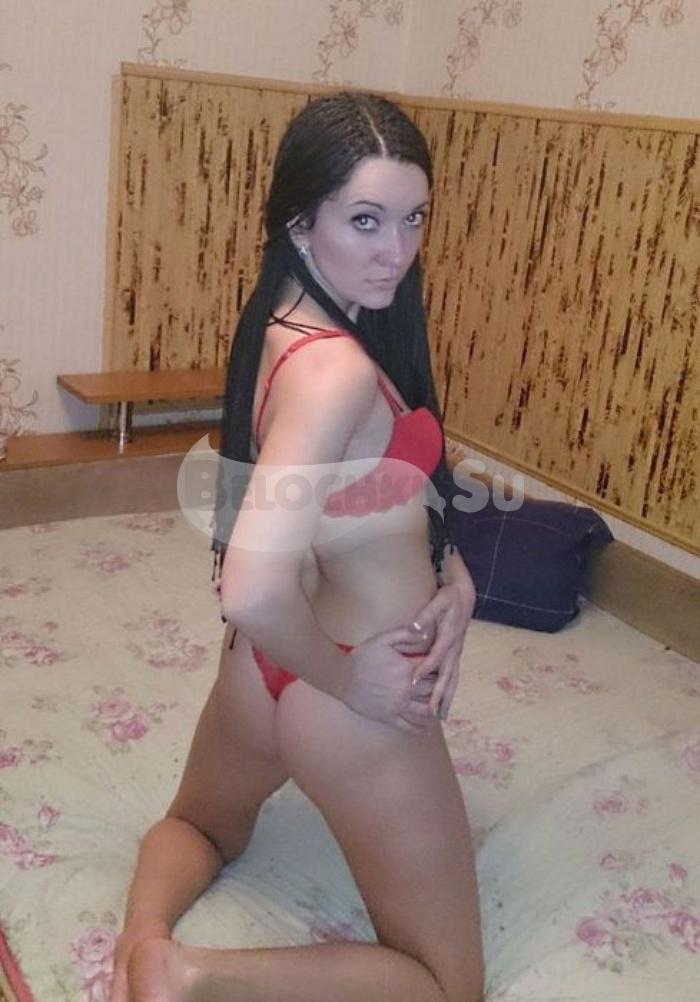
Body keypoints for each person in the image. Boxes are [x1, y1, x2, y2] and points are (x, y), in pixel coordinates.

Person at [111, 91, 484, 1002]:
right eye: (366, 220)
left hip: (263, 669)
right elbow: (250, 586)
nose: (396, 250)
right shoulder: (337, 371)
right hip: (347, 685)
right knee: (445, 987)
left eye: (413, 218)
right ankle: (190, 975)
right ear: (301, 220)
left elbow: (361, 498)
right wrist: (351, 680)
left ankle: (143, 941)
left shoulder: (283, 319)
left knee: (200, 828)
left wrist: (458, 578)